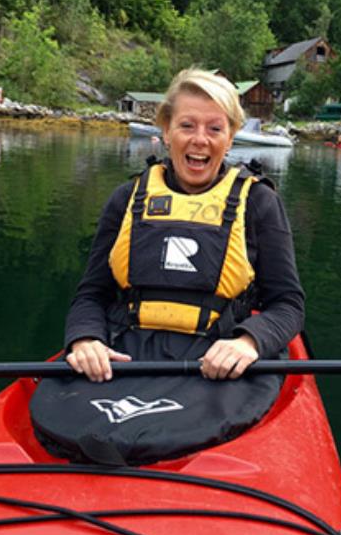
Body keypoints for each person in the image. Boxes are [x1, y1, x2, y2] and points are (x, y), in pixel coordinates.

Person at [64, 68, 305, 382]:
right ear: (166, 130)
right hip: (124, 356)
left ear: (230, 137)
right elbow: (92, 294)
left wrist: (249, 342)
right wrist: (85, 338)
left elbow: (288, 304)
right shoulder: (126, 199)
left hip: (218, 362)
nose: (200, 140)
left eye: (215, 129)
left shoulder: (259, 203)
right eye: (186, 126)